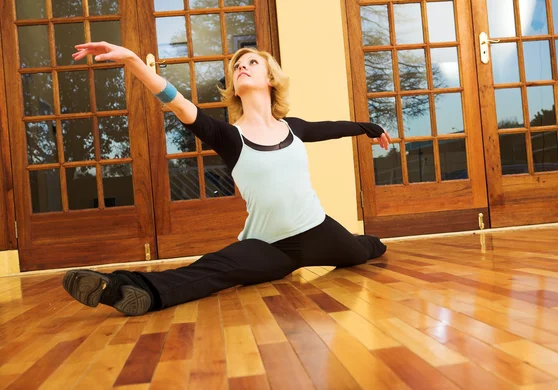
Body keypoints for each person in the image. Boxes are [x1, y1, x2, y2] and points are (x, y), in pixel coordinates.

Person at [62, 41, 392, 316]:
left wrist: (369, 128)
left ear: (271, 79)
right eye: (236, 67)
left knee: (363, 251)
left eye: (250, 63)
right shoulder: (228, 136)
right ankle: (122, 288)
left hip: (317, 230)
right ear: (233, 86)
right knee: (215, 269)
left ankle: (373, 240)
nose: (241, 68)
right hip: (268, 246)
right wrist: (133, 60)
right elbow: (177, 103)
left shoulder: (295, 128)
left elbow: (333, 127)